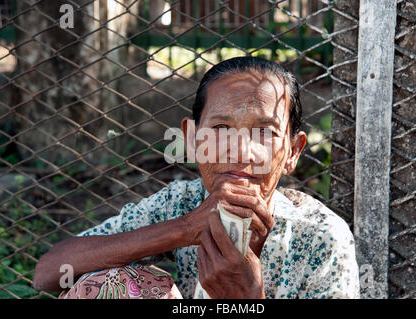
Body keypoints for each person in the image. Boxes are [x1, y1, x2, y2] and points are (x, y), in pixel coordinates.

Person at [33, 56, 360, 299]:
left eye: (264, 132)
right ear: (192, 140)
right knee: (113, 288)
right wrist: (186, 228)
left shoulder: (320, 235)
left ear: (293, 151)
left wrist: (246, 297)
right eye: (220, 129)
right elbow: (49, 273)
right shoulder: (181, 204)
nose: (240, 152)